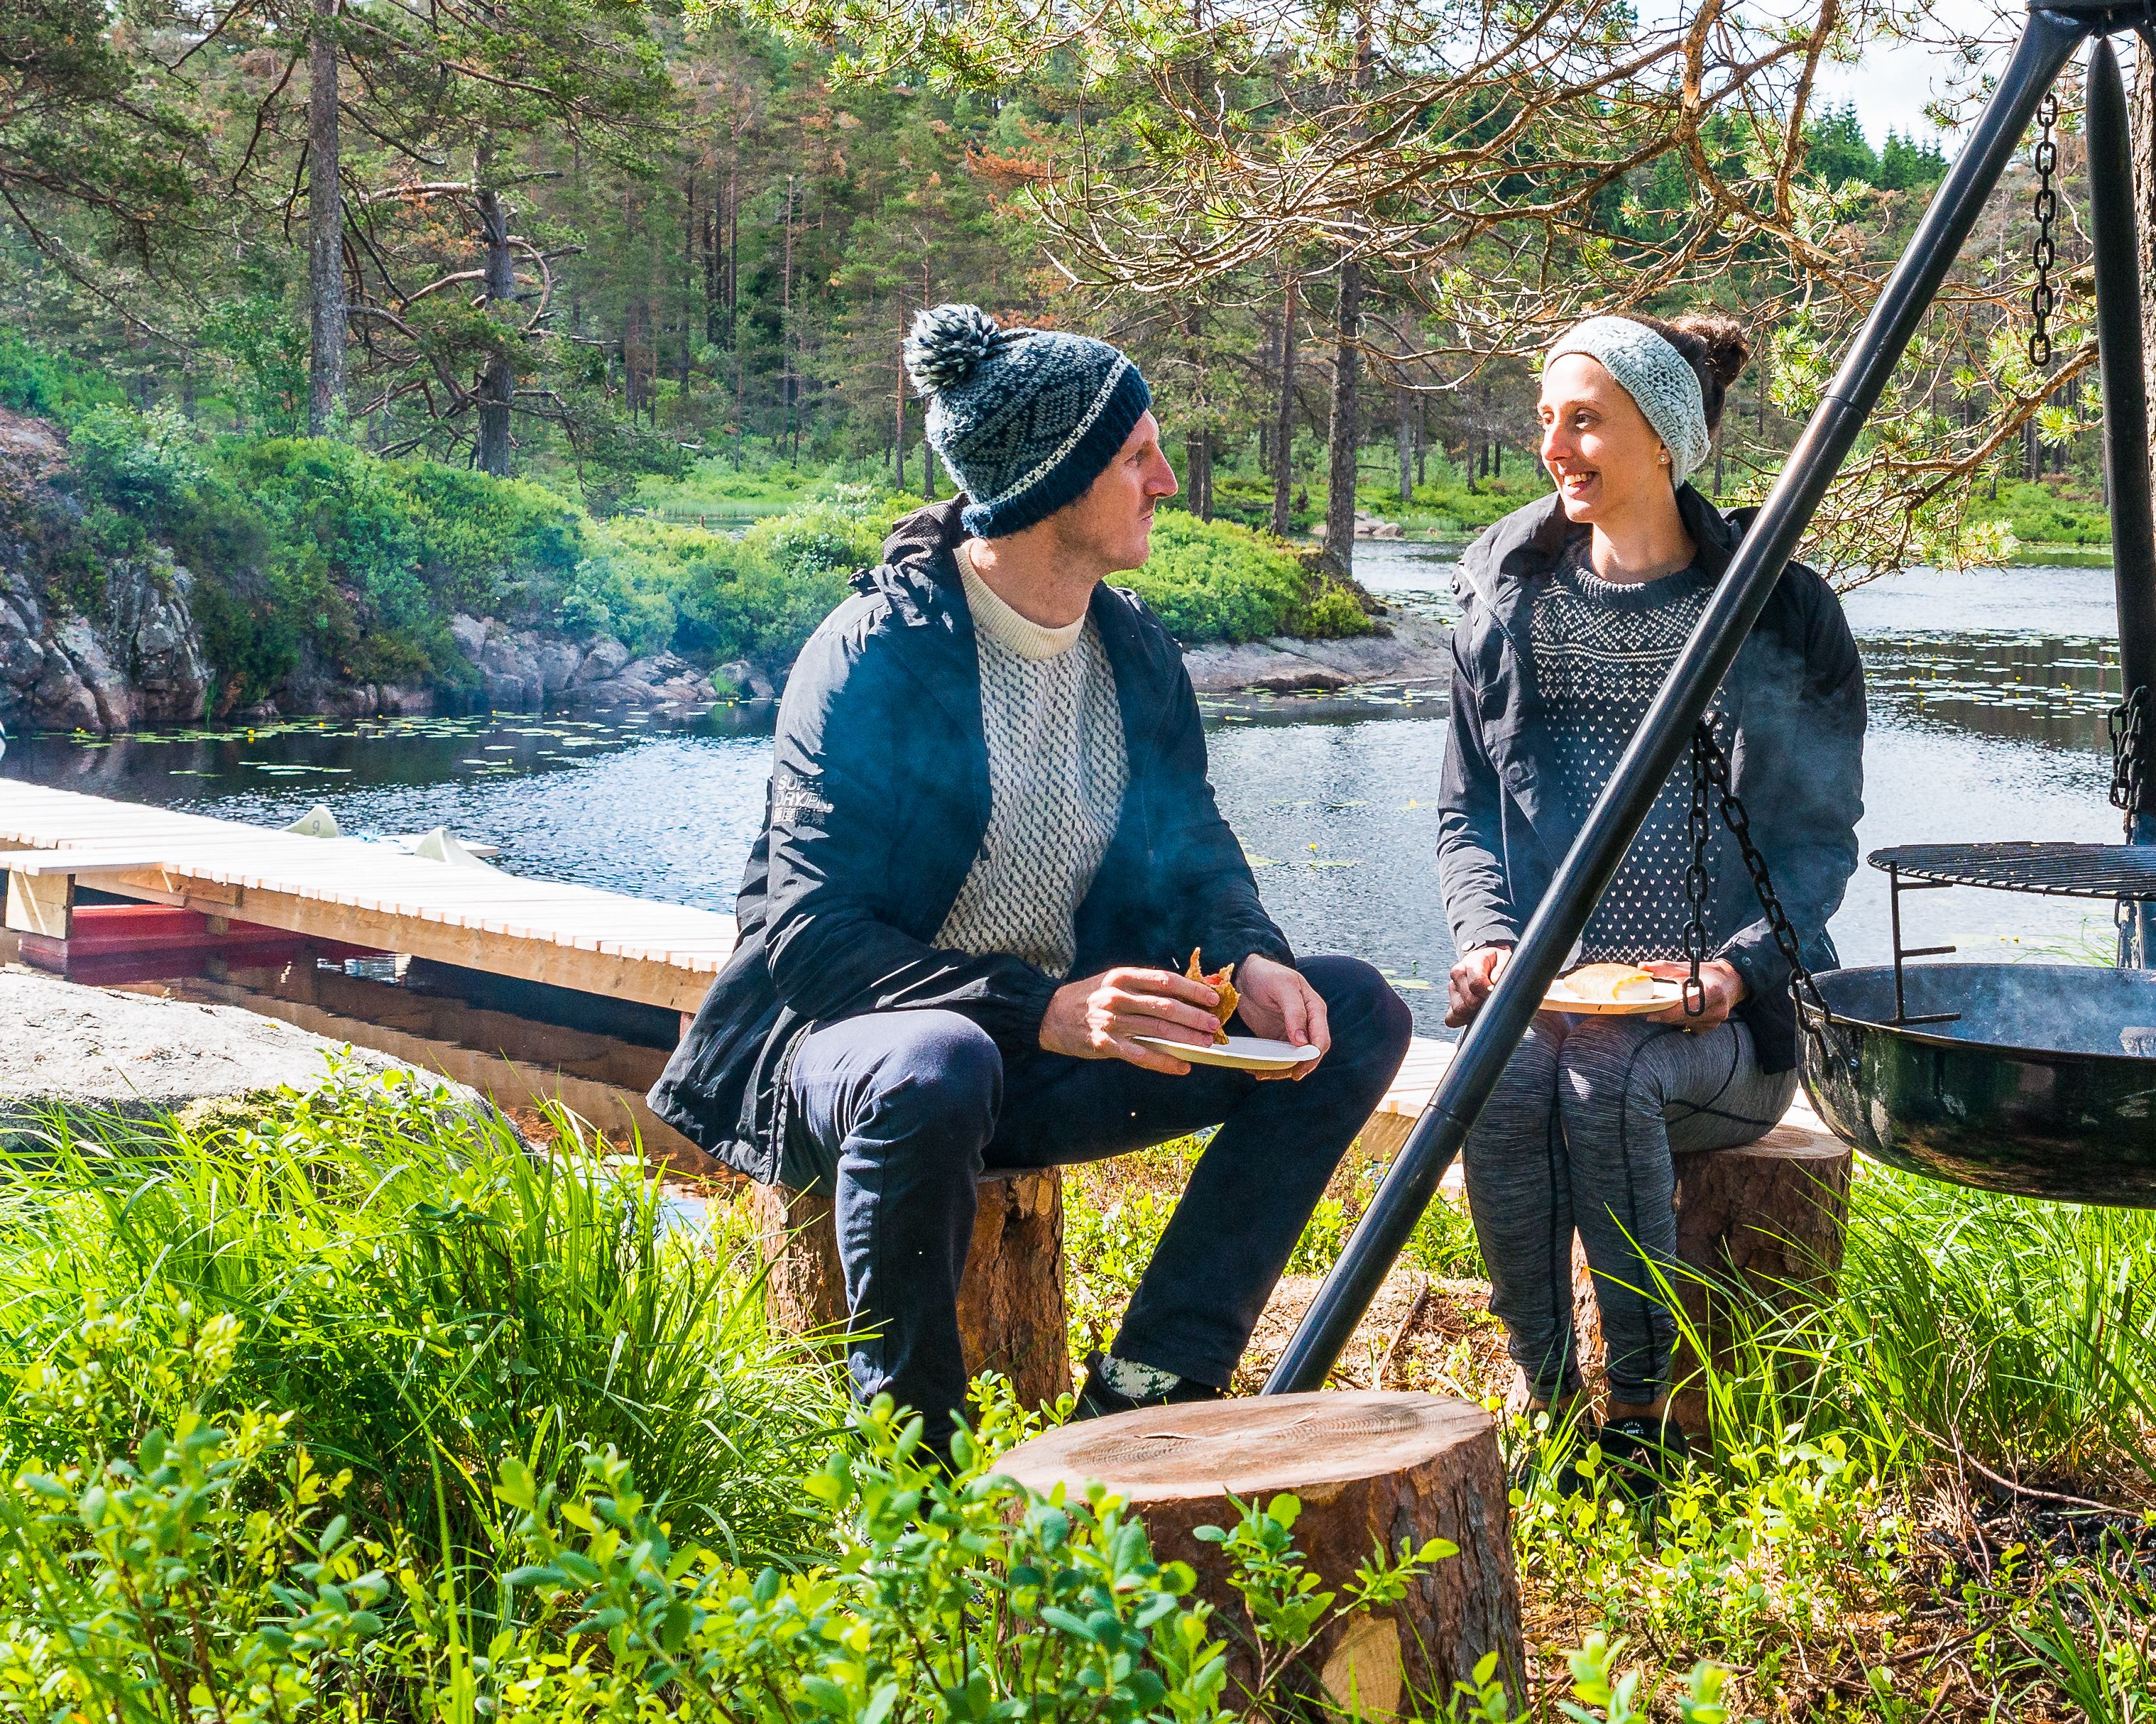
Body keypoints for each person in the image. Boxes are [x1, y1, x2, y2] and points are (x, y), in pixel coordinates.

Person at [650, 305, 1413, 1448]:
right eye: (1137, 456)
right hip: (853, 1061)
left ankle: (1156, 1383)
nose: (1166, 481)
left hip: (1048, 1062)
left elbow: (1195, 850)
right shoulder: (873, 656)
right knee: (938, 1062)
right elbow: (811, 943)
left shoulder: (1135, 653)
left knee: (1351, 1012)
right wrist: (1042, 1009)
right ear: (1053, 481)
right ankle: (918, 1468)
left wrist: (1253, 954)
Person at [1435, 314, 1863, 1455]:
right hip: (1556, 992)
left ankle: (1638, 1404)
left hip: (1718, 1025)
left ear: (1667, 440)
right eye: (1546, 422)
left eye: (1585, 421)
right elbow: (1465, 814)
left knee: (1608, 1082)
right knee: (1505, 1077)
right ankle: (1544, 1391)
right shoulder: (1505, 596)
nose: (1555, 446)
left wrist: (1735, 970)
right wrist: (1486, 936)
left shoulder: (1778, 610)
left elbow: (1817, 850)